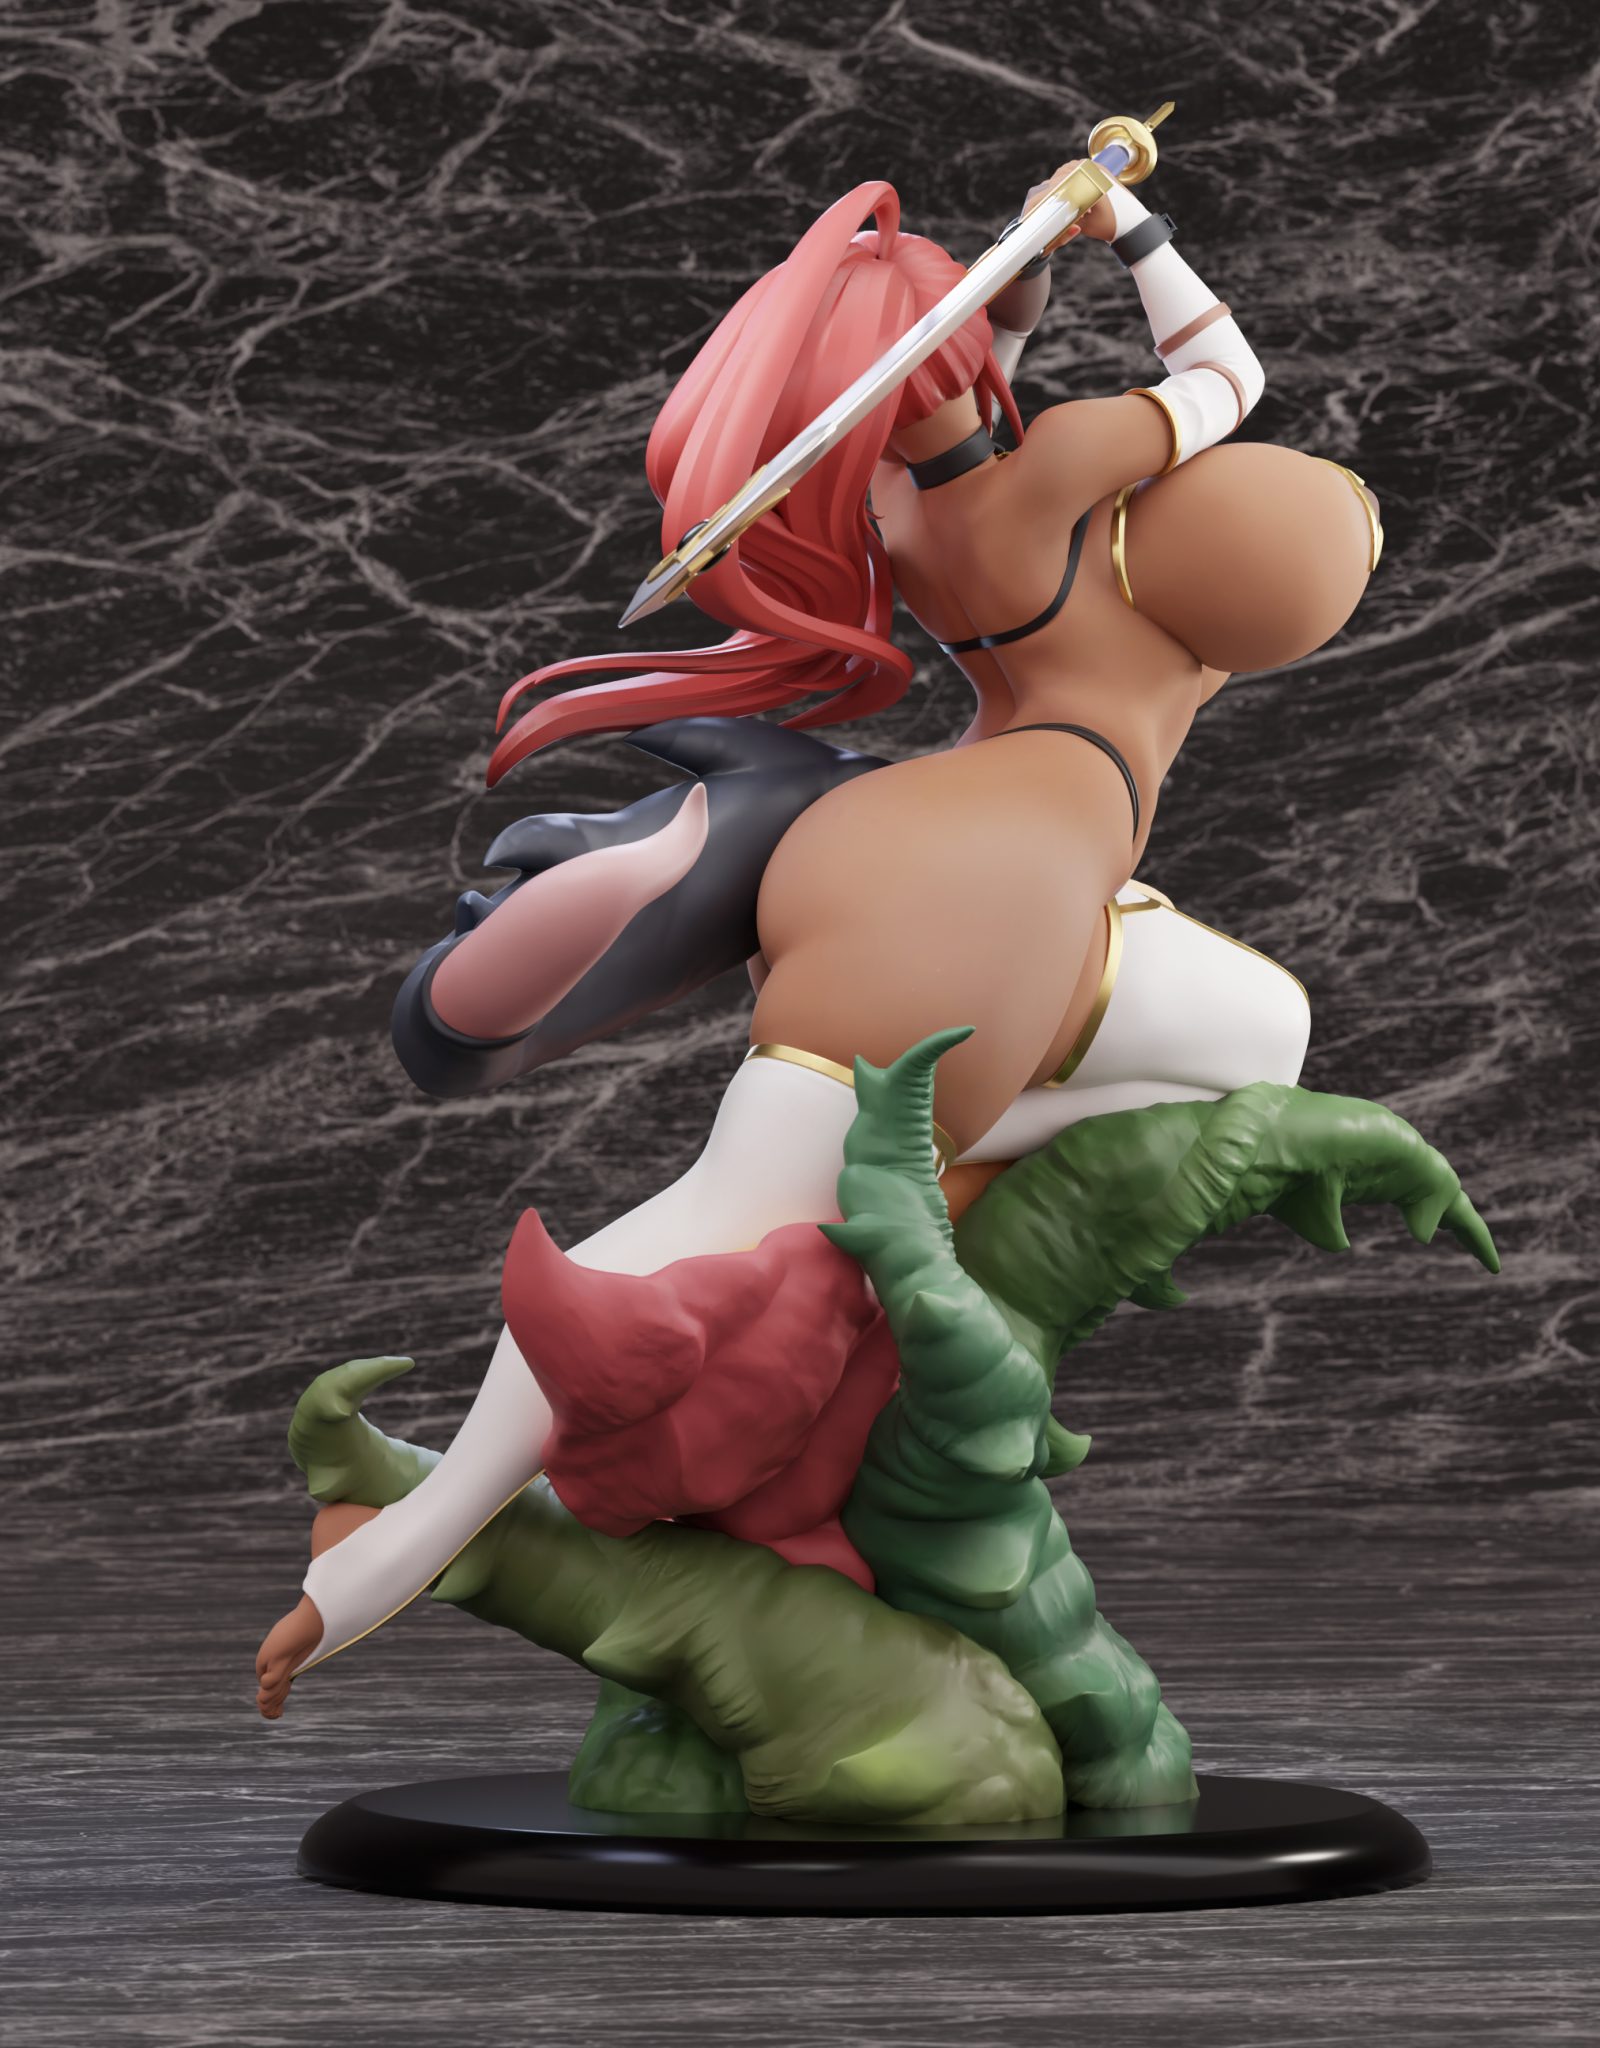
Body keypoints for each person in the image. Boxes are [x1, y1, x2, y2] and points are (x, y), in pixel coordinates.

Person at [256, 159, 1383, 1718]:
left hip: (946, 837)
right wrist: (1131, 226)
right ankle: (410, 1537)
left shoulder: (927, 512)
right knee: (726, 1208)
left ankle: (932, 1129)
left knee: (1261, 1038)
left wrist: (1016, 274)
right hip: (994, 877)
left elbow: (1009, 385)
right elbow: (1224, 373)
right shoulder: (1078, 485)